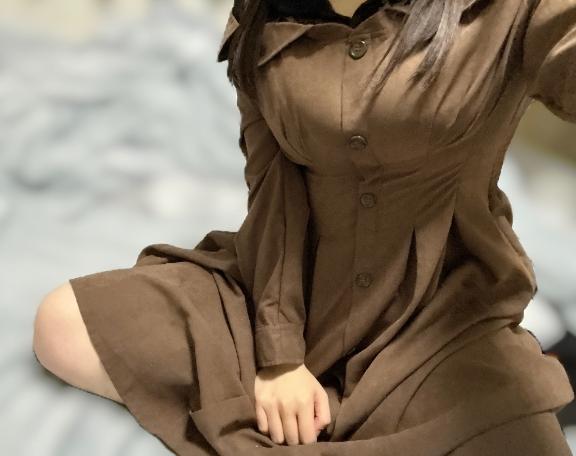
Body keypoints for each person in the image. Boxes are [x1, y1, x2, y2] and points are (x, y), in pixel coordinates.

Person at [33, 0, 576, 454]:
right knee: (62, 325)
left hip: (444, 318)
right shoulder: (262, 15)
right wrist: (280, 356)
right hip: (285, 290)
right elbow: (273, 191)